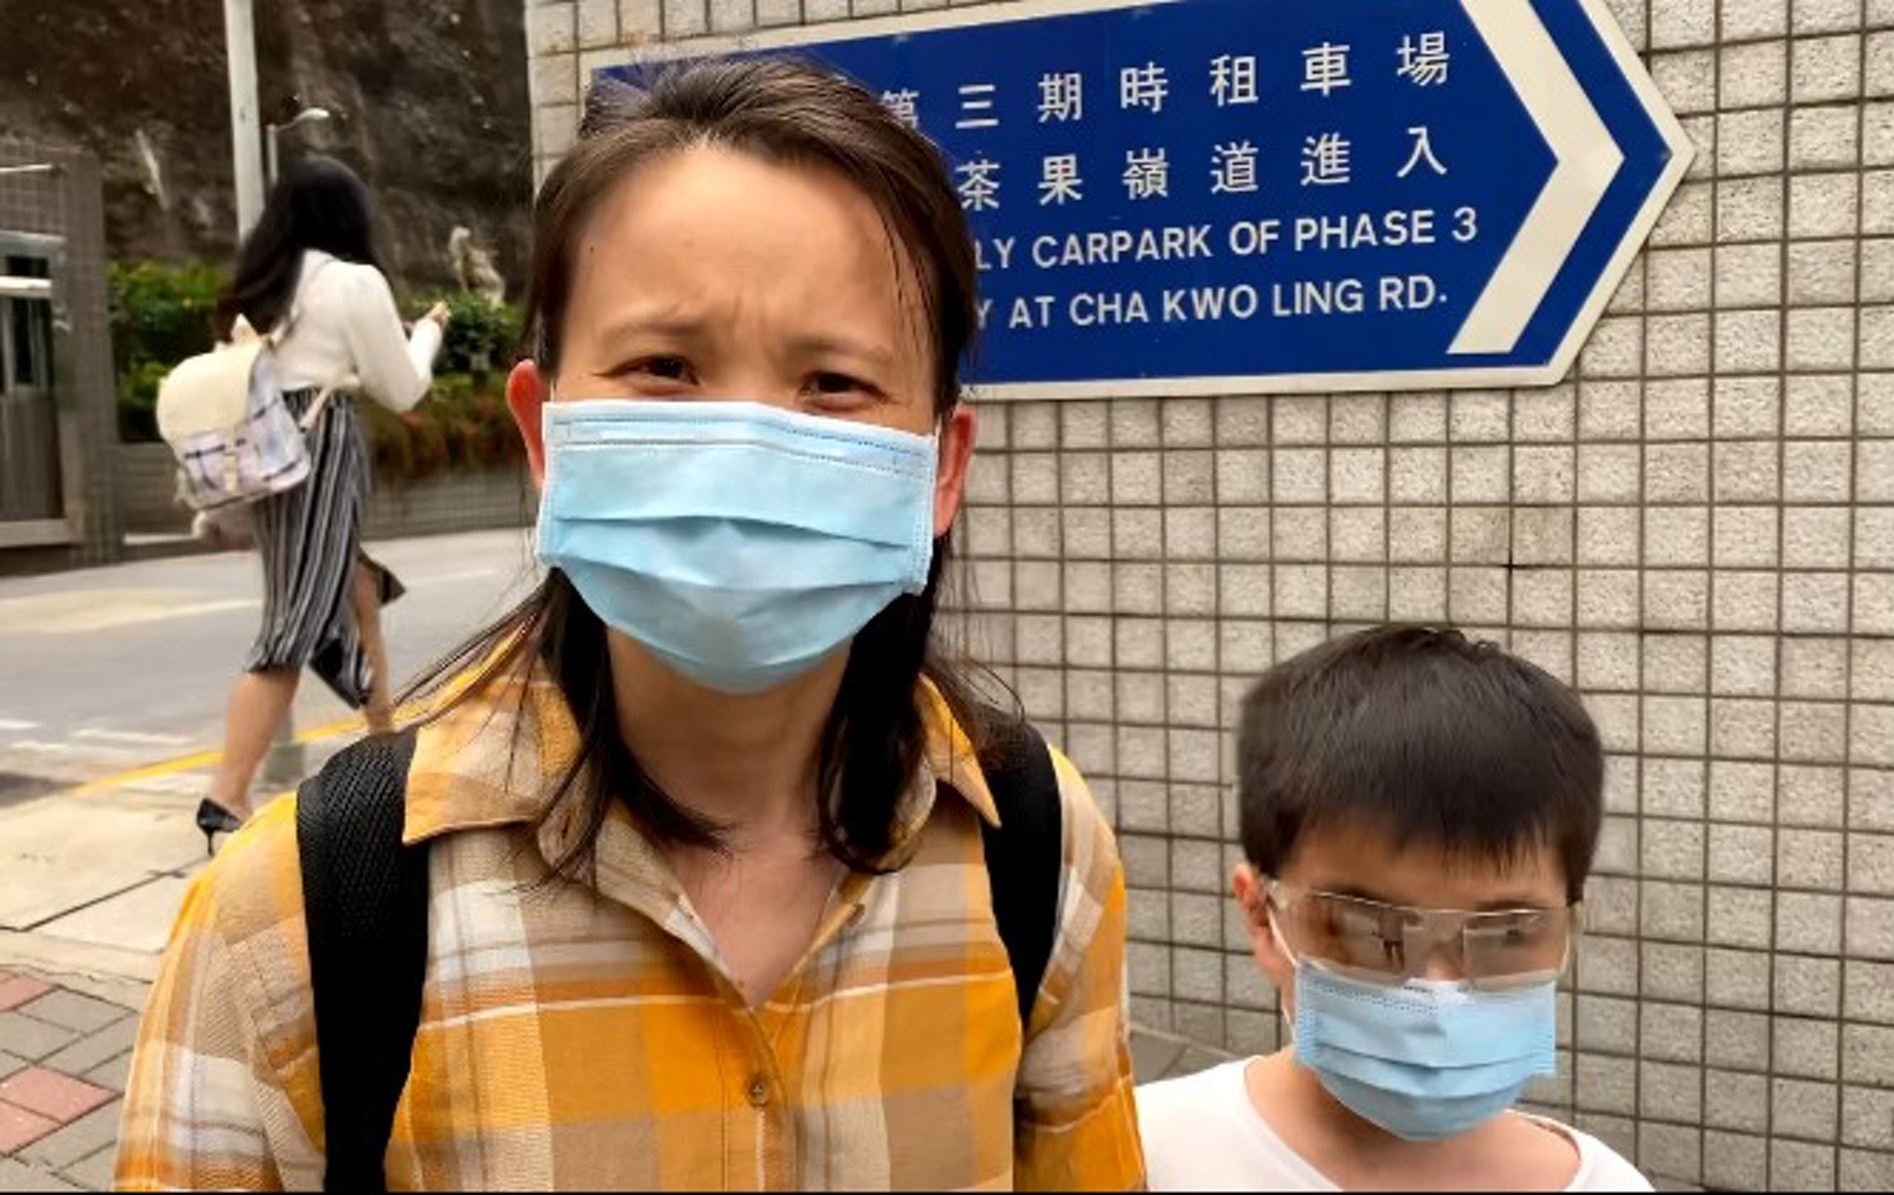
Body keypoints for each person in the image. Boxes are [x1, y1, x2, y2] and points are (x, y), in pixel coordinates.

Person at [117, 59, 1142, 1191]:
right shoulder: (293, 920)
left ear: (941, 466)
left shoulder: (1041, 854)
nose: (744, 446)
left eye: (834, 383)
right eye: (666, 367)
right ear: (545, 433)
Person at [1138, 626, 1650, 1192]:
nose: (1437, 996)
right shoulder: (1138, 1156)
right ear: (1262, 914)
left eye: (1506, 934)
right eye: (1368, 929)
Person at [195, 156, 448, 849]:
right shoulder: (352, 282)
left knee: (353, 583)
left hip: (269, 451)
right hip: (319, 445)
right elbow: (403, 387)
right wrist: (428, 331)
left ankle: (384, 741)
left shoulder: (258, 288)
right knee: (291, 627)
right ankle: (226, 795)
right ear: (348, 217)